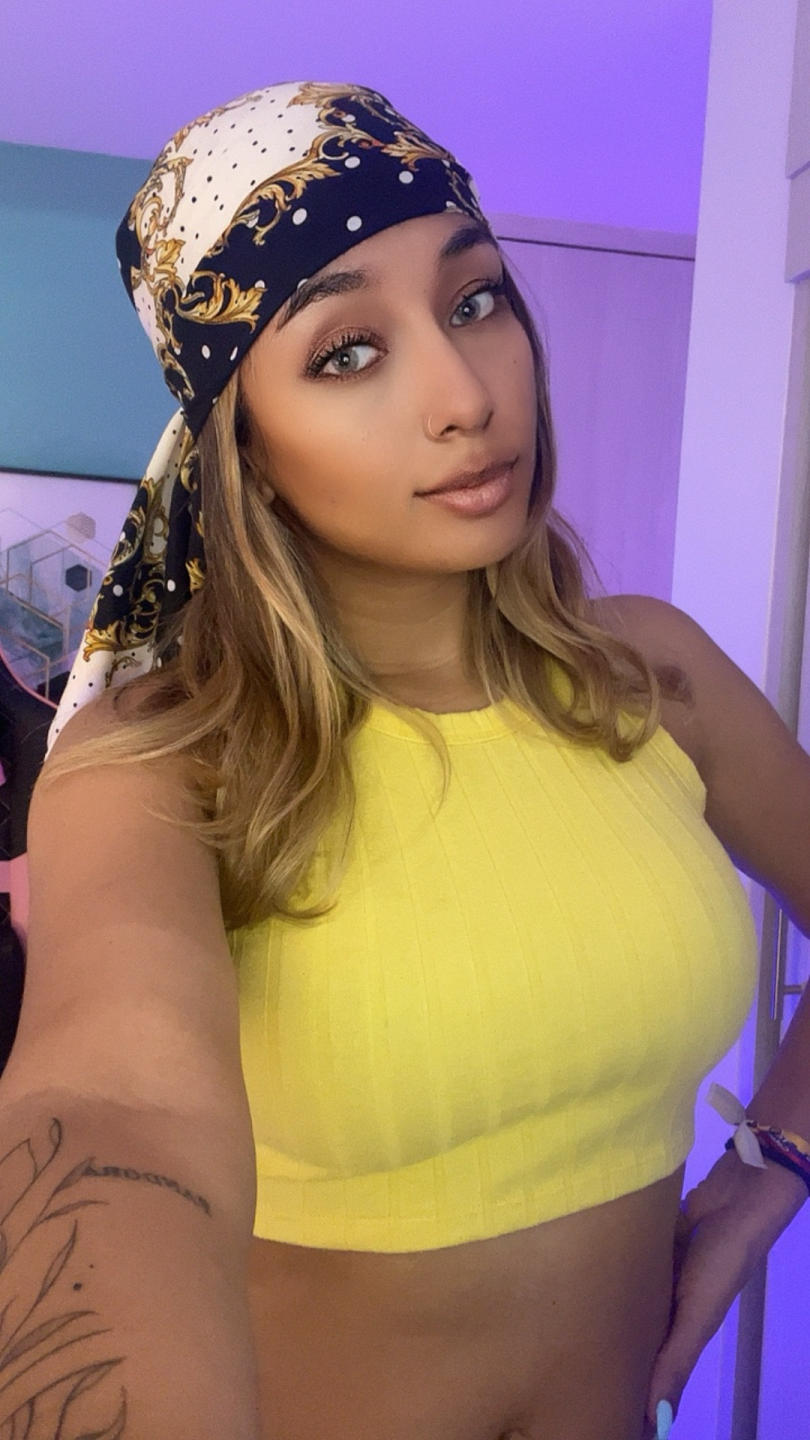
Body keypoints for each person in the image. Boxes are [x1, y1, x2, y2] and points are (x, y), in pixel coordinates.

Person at [2, 80, 809, 1440]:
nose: (464, 395)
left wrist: (766, 1175)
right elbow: (112, 1102)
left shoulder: (654, 678)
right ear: (244, 449)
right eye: (346, 353)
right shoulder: (154, 764)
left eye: (474, 299)